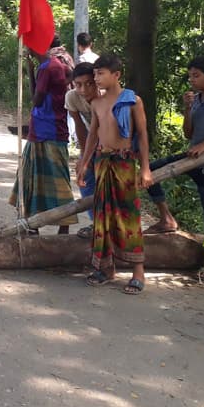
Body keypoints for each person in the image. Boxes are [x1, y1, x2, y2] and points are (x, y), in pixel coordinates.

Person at [78, 53, 152, 295]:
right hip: (103, 162)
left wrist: (146, 168)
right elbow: (92, 136)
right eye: (95, 74)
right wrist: (85, 162)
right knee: (103, 217)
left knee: (128, 216)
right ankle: (106, 268)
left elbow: (141, 135)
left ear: (116, 75)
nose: (96, 79)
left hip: (124, 163)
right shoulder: (96, 103)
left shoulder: (132, 101)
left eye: (101, 74)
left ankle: (138, 271)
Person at [144, 56, 204, 234]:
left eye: (196, 76)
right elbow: (188, 134)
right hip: (192, 157)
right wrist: (187, 108)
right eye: (190, 76)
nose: (191, 80)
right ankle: (166, 218)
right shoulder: (195, 99)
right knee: (150, 171)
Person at [8, 41, 78, 234]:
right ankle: (35, 223)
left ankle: (61, 225)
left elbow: (36, 99)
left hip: (49, 129)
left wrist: (30, 72)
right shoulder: (52, 65)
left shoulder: (48, 67)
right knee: (35, 175)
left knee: (52, 177)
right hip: (43, 129)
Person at [68, 63, 101, 239]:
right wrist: (83, 157)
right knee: (86, 178)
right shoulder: (72, 97)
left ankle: (110, 223)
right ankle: (95, 221)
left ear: (96, 81)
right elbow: (81, 128)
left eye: (89, 83)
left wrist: (87, 158)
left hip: (113, 143)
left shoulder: (105, 97)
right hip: (92, 140)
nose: (83, 89)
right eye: (78, 84)